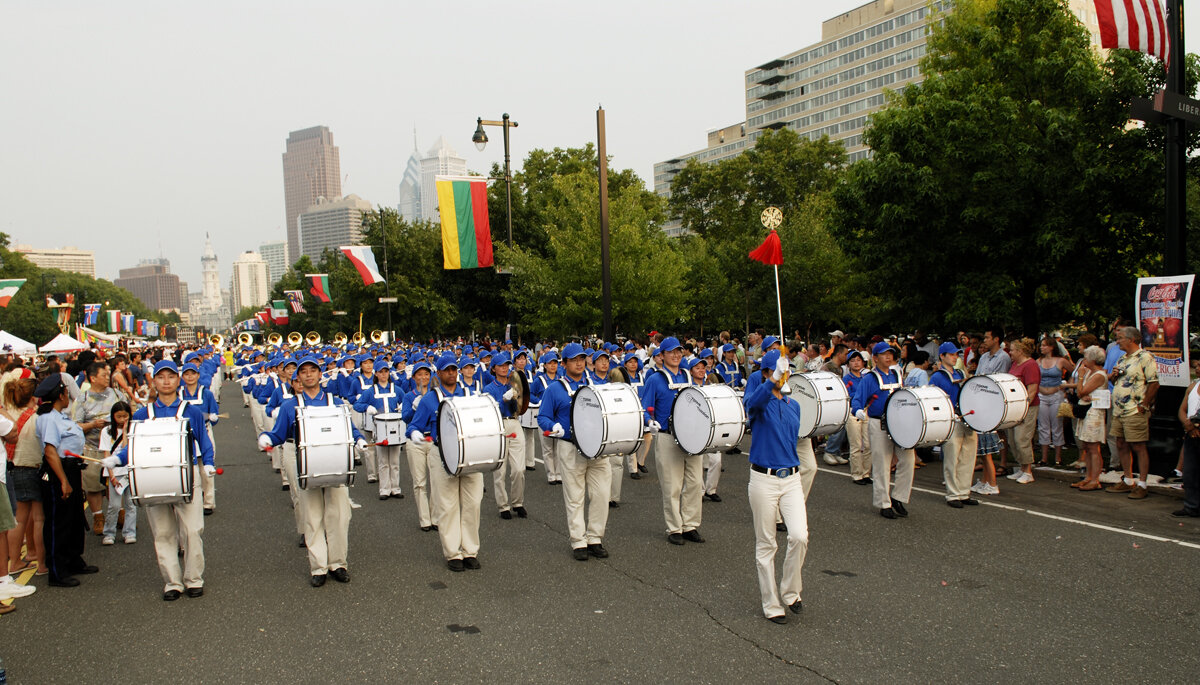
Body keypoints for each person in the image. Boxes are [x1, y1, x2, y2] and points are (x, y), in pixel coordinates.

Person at [102, 360, 214, 600]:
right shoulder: (143, 414)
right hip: (152, 476)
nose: (166, 381)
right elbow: (132, 446)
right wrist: (117, 459)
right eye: (161, 377)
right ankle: (172, 582)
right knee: (163, 532)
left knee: (193, 530)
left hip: (186, 474)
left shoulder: (191, 411)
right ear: (154, 381)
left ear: (178, 380)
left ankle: (194, 578)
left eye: (171, 376)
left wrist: (209, 463)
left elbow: (204, 441)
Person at [258, 357, 366, 586]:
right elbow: (278, 434)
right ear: (298, 378)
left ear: (320, 375)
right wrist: (266, 437)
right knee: (313, 516)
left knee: (339, 515)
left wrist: (359, 441)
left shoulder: (334, 402)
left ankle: (338, 563)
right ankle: (318, 567)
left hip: (336, 462)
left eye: (313, 371)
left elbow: (351, 428)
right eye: (303, 372)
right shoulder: (290, 405)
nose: (308, 375)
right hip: (307, 465)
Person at [744, 349, 808, 624]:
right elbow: (754, 402)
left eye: (787, 371)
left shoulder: (794, 406)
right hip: (763, 480)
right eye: (778, 371)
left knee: (799, 536)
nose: (784, 375)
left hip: (792, 478)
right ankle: (772, 604)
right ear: (767, 374)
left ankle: (791, 591)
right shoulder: (757, 402)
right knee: (766, 543)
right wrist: (771, 383)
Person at [410, 353, 484, 572]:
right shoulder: (429, 398)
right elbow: (413, 425)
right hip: (441, 453)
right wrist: (414, 434)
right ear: (439, 373)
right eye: (447, 370)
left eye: (454, 369)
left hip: (470, 453)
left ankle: (470, 550)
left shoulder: (469, 395)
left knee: (473, 503)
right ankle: (453, 553)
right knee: (448, 505)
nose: (451, 373)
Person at [539, 342, 612, 560]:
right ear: (564, 363)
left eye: (582, 358)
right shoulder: (555, 388)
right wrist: (553, 427)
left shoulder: (596, 383)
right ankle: (578, 540)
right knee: (575, 496)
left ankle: (595, 538)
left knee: (601, 495)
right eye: (574, 360)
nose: (579, 363)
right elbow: (543, 416)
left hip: (598, 448)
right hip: (570, 446)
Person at [640, 336, 706, 545]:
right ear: (662, 355)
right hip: (668, 435)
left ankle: (690, 525)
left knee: (695, 483)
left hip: (692, 436)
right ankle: (674, 527)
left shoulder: (688, 375)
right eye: (671, 352)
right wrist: (649, 421)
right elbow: (645, 407)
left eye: (679, 351)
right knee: (672, 485)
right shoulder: (655, 379)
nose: (676, 355)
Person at [35, 375, 98, 587]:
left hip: (71, 469)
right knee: (58, 522)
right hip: (57, 472)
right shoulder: (48, 419)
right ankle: (57, 570)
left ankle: (73, 560)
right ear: (61, 395)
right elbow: (50, 451)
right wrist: (63, 481)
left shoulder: (60, 416)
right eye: (65, 393)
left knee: (74, 518)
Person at [850, 342, 914, 519]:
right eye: (884, 354)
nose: (888, 357)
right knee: (882, 465)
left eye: (890, 354)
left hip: (900, 424)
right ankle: (883, 503)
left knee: (908, 460)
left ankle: (898, 497)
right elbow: (857, 400)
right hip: (879, 423)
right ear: (875, 358)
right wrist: (858, 411)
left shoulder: (897, 374)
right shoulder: (869, 378)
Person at [1105, 326, 1159, 499]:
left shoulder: (1145, 357)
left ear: (1131, 339)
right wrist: (1114, 375)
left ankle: (1142, 483)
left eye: (1120, 338)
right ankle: (1128, 480)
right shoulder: (1122, 358)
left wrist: (1144, 404)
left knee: (1138, 445)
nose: (1117, 341)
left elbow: (1154, 382)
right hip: (1119, 410)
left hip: (1135, 410)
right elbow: (1117, 378)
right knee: (1120, 443)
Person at [929, 343, 979, 508]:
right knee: (952, 458)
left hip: (966, 417)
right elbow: (933, 399)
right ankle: (952, 494)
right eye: (951, 354)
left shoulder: (959, 373)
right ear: (942, 356)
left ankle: (964, 492)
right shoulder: (937, 377)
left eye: (956, 354)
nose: (954, 357)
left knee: (968, 457)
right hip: (951, 419)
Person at [72, 361, 118, 536]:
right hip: (91, 448)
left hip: (114, 446)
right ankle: (98, 517)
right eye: (104, 375)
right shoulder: (82, 399)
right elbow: (75, 426)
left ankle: (119, 514)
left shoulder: (116, 394)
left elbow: (127, 413)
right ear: (92, 378)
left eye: (108, 375)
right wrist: (92, 424)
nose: (107, 377)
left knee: (115, 483)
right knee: (93, 485)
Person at [5, 375, 44, 577]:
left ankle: (15, 560)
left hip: (12, 468)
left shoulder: (9, 415)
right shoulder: (36, 417)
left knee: (18, 519)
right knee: (38, 518)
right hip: (32, 468)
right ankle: (38, 555)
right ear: (33, 396)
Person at [483, 352, 527, 519]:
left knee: (519, 469)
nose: (504, 368)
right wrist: (504, 399)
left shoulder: (513, 384)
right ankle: (503, 506)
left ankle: (517, 502)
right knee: (500, 470)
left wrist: (516, 399)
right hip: (498, 425)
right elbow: (491, 411)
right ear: (493, 368)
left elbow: (521, 407)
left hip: (514, 422)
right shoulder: (488, 388)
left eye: (507, 365)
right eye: (500, 365)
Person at [354, 361, 406, 500]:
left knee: (395, 460)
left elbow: (406, 400)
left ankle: (395, 488)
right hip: (380, 429)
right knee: (383, 460)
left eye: (386, 371)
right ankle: (384, 489)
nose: (383, 374)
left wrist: (402, 406)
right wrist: (367, 408)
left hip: (395, 428)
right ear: (376, 374)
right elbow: (357, 405)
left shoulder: (397, 389)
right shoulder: (370, 391)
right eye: (381, 372)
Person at [971, 327, 1010, 495]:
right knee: (981, 447)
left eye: (987, 337)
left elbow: (998, 382)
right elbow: (979, 376)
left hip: (991, 403)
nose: (984, 340)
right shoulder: (984, 357)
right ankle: (985, 480)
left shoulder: (1003, 357)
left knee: (987, 446)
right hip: (980, 401)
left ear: (996, 339)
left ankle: (992, 483)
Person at [180, 361, 220, 515]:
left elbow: (215, 415)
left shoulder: (207, 393)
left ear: (197, 375)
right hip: (184, 434)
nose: (190, 377)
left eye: (192, 373)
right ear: (182, 376)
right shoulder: (179, 393)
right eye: (186, 374)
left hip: (204, 431)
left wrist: (214, 417)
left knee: (206, 468)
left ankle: (208, 502)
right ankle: (190, 499)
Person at [401, 362, 437, 531]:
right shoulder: (409, 396)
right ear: (414, 377)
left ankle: (436, 517)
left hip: (433, 439)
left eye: (426, 374)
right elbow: (406, 418)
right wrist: (415, 406)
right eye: (420, 374)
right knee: (420, 482)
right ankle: (425, 519)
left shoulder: (434, 394)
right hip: (416, 440)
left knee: (437, 480)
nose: (423, 377)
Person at [1067, 346, 1108, 491]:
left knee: (1093, 447)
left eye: (1086, 357)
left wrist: (1082, 376)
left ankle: (1095, 479)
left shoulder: (1098, 375)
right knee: (1086, 446)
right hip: (1087, 410)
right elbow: (1082, 391)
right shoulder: (1092, 373)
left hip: (1094, 413)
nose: (1084, 360)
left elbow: (1081, 391)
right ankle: (1089, 477)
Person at [98, 402, 137, 544]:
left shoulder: (134, 429)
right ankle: (109, 533)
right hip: (114, 472)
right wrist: (112, 476)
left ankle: (129, 532)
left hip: (130, 471)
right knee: (114, 505)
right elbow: (107, 455)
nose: (122, 420)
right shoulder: (106, 431)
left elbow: (127, 450)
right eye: (118, 416)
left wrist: (126, 431)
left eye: (125, 416)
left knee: (130, 504)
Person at [1005, 338, 1041, 484]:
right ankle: (1021, 467)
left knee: (1022, 438)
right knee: (1013, 439)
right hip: (1015, 407)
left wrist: (1023, 409)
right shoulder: (1015, 364)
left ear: (1020, 351)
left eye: (1012, 350)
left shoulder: (1031, 365)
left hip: (1028, 407)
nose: (1010, 352)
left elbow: (1032, 391)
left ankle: (1028, 470)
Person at [1036, 337, 1076, 467]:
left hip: (1056, 395)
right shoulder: (1038, 361)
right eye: (1041, 345)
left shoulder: (1061, 361)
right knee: (1043, 426)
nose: (1042, 348)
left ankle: (1058, 457)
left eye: (1044, 345)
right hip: (1042, 394)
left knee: (1057, 425)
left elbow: (1074, 372)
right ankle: (1044, 457)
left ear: (1051, 347)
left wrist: (1067, 385)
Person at [1175, 357, 1200, 517]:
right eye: (1197, 365)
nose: (1197, 368)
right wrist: (1187, 424)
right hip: (1191, 434)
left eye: (1199, 366)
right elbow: (1182, 410)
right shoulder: (1192, 386)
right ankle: (1191, 505)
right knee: (1190, 472)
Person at [841, 352, 872, 484]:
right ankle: (857, 474)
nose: (856, 363)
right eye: (853, 360)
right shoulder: (846, 379)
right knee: (856, 444)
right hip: (853, 411)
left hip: (866, 410)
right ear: (848, 364)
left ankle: (866, 473)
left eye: (859, 360)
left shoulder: (867, 377)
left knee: (869, 444)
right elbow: (849, 395)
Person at [532, 351, 562, 484]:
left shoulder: (561, 379)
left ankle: (560, 473)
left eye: (555, 363)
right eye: (550, 363)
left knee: (560, 446)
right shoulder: (539, 380)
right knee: (548, 447)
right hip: (545, 415)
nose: (553, 366)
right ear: (545, 365)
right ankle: (551, 474)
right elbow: (530, 394)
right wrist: (538, 400)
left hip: (559, 415)